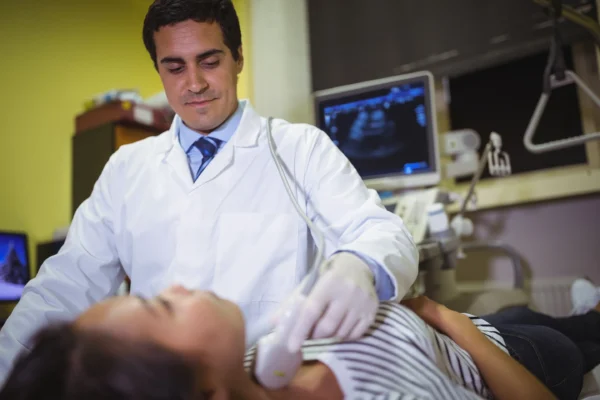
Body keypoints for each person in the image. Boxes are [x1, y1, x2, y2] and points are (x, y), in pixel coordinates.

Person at [0, 0, 419, 384]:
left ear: (238, 58)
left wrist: (359, 265)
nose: (195, 83)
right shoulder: (127, 168)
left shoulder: (298, 149)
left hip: (270, 380)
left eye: (209, 60)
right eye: (175, 67)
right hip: (162, 387)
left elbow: (381, 233)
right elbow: (65, 286)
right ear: (160, 71)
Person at [2, 280, 600, 400]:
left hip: (469, 330)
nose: (180, 284)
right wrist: (453, 321)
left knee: (524, 308)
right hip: (510, 357)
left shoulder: (250, 365)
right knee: (576, 338)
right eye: (163, 304)